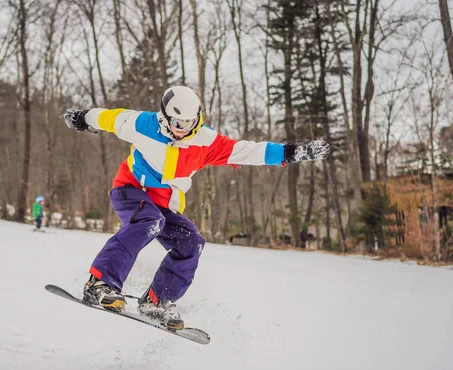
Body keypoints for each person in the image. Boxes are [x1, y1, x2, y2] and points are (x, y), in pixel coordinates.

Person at [64, 86, 330, 330]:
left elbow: (247, 150)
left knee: (191, 243)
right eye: (178, 123)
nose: (183, 129)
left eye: (190, 123)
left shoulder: (205, 141)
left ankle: (156, 301)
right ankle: (99, 283)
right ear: (165, 117)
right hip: (130, 190)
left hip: (164, 204)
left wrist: (291, 152)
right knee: (148, 221)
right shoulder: (142, 124)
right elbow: (109, 118)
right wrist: (83, 118)